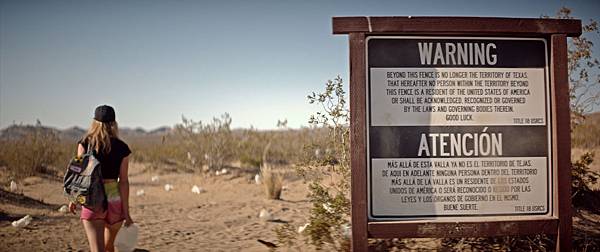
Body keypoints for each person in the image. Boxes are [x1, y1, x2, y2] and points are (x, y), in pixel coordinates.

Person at [68, 105, 133, 252]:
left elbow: (78, 174)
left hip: (92, 197)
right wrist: (126, 213)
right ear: (114, 123)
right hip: (113, 196)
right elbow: (123, 181)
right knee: (109, 249)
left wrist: (73, 199)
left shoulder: (84, 144)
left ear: (94, 122)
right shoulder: (122, 148)